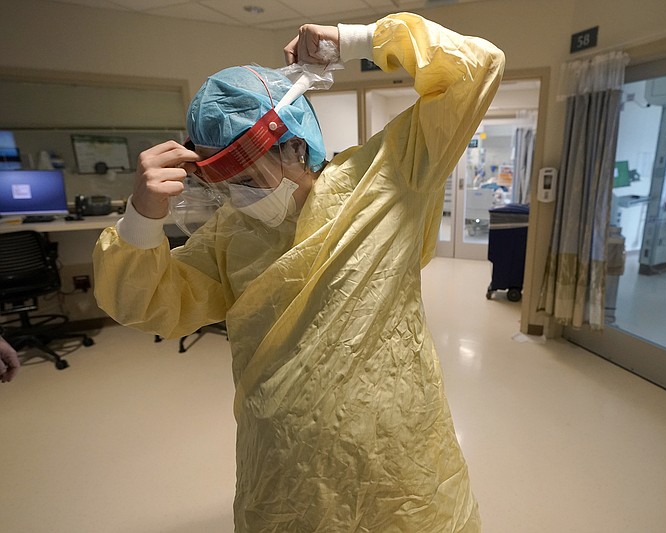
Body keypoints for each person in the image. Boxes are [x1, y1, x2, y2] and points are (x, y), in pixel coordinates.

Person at [93, 12, 504, 532]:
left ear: (294, 144)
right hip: (286, 475)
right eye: (228, 183)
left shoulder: (389, 176)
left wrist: (358, 41)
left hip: (401, 465)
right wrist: (141, 216)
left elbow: (477, 67)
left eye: (252, 175)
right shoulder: (229, 233)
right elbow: (149, 304)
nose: (241, 195)